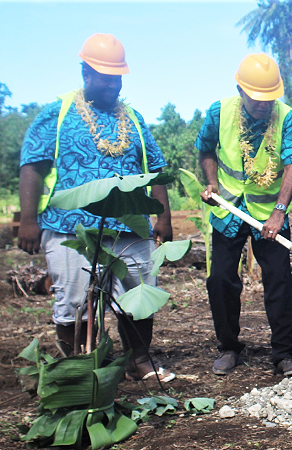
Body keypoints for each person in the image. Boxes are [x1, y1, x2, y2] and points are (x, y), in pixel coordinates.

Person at [18, 33, 175, 382]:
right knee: (75, 301)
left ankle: (140, 360)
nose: (113, 86)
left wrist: (162, 217)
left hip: (130, 229)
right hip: (71, 227)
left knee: (139, 296)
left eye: (117, 78)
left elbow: (155, 170)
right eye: (106, 78)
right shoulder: (56, 114)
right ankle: (81, 367)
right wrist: (28, 221)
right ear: (86, 73)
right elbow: (32, 166)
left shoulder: (133, 119)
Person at [196, 53, 292, 377]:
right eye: (257, 98)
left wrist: (278, 212)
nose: (264, 104)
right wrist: (211, 182)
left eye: (270, 98)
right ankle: (229, 347)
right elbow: (205, 149)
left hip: (269, 212)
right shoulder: (219, 112)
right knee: (220, 279)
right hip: (229, 207)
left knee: (278, 279)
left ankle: (285, 354)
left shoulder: (287, 118)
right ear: (240, 90)